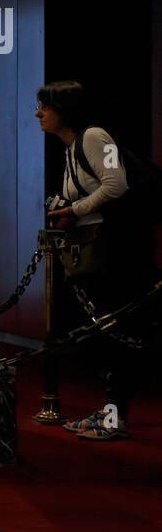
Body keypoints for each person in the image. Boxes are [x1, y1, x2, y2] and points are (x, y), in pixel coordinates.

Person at [38, 81, 159, 441]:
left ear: (64, 109)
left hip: (115, 255)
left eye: (44, 106)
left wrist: (74, 209)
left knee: (116, 340)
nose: (38, 113)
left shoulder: (93, 138)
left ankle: (112, 419)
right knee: (107, 341)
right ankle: (109, 415)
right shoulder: (72, 147)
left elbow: (116, 184)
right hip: (100, 255)